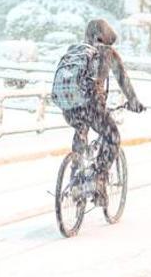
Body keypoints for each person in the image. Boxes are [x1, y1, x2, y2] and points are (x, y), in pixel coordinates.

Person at [55, 19, 145, 207]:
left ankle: (76, 178)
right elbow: (123, 80)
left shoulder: (74, 50)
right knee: (112, 137)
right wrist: (134, 102)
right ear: (104, 37)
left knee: (81, 130)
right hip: (91, 107)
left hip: (68, 107)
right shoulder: (106, 52)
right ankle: (98, 179)